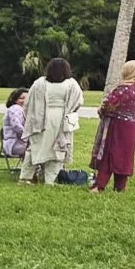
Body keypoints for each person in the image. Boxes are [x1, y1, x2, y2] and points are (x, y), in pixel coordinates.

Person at [20, 57, 84, 185]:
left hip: (41, 118)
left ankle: (25, 177)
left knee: (36, 147)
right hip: (61, 119)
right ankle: (50, 179)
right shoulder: (71, 84)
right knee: (58, 149)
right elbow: (78, 102)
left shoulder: (39, 83)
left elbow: (28, 102)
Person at [92, 59, 135, 193]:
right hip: (131, 126)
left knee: (109, 152)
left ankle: (99, 185)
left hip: (116, 125)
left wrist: (101, 111)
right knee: (125, 156)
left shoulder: (123, 89)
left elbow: (109, 104)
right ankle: (120, 186)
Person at [1, 87, 27, 160]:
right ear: (15, 100)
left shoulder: (24, 110)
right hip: (14, 144)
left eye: (27, 98)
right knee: (40, 148)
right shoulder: (15, 108)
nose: (25, 101)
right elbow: (17, 127)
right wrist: (28, 137)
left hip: (17, 143)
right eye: (21, 98)